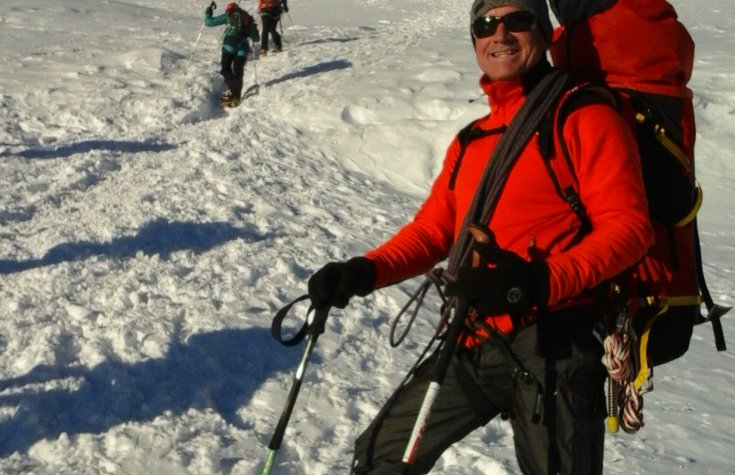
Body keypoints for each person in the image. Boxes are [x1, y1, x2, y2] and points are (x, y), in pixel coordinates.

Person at [306, 0, 655, 473]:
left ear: (545, 32)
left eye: (519, 19)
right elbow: (435, 230)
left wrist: (536, 283)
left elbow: (629, 227)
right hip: (476, 332)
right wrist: (363, 272)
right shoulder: (473, 138)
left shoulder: (583, 116)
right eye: (486, 24)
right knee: (381, 455)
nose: (501, 34)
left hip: (557, 338)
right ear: (474, 39)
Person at [203, 2, 260, 107]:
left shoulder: (228, 15)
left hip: (230, 43)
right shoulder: (248, 19)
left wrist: (208, 12)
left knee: (225, 69)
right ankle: (236, 97)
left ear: (229, 9)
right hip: (243, 46)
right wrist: (252, 28)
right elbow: (256, 38)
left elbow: (209, 22)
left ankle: (232, 93)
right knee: (238, 71)